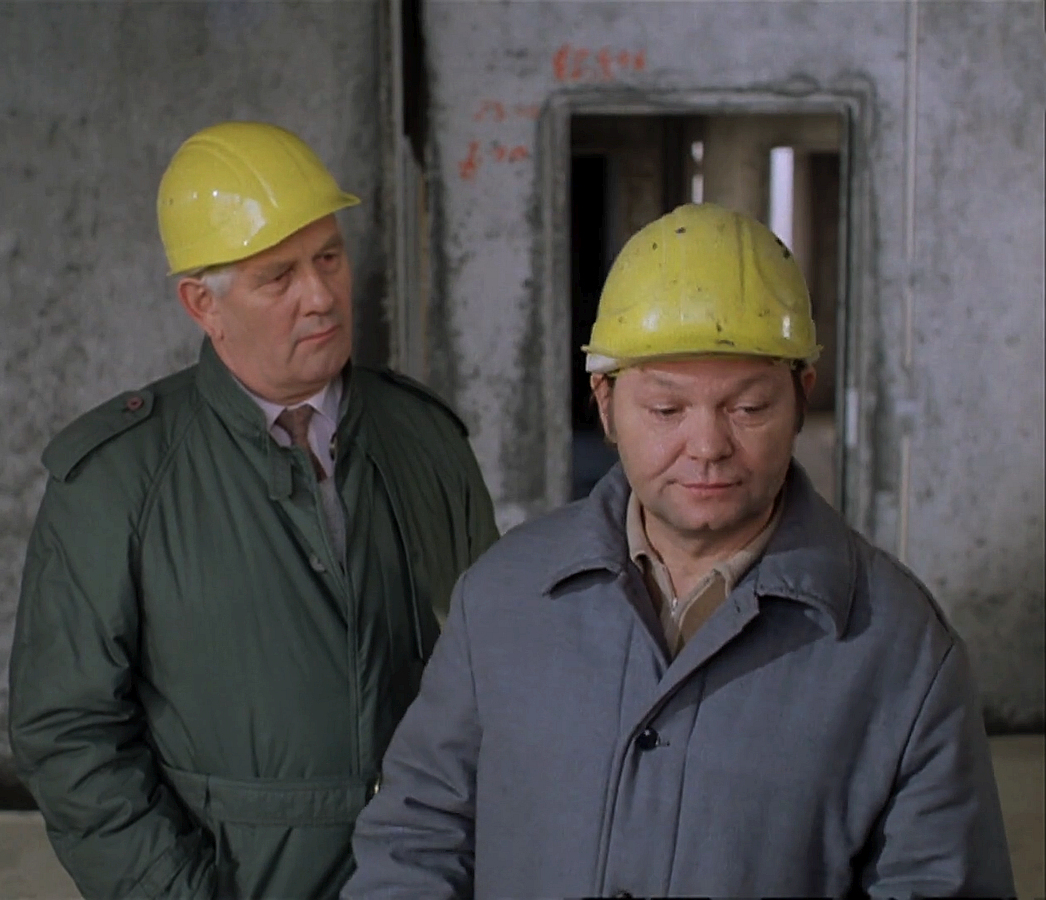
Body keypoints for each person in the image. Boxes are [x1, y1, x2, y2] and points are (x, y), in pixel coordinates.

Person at [344, 203, 1015, 898]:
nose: (707, 446)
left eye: (748, 408)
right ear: (605, 402)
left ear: (800, 398)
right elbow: (416, 839)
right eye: (666, 410)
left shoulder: (899, 648)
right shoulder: (503, 598)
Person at [8, 121, 499, 900]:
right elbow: (69, 735)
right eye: (279, 277)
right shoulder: (118, 479)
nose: (321, 296)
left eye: (329, 258)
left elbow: (494, 674)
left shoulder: (425, 440)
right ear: (203, 303)